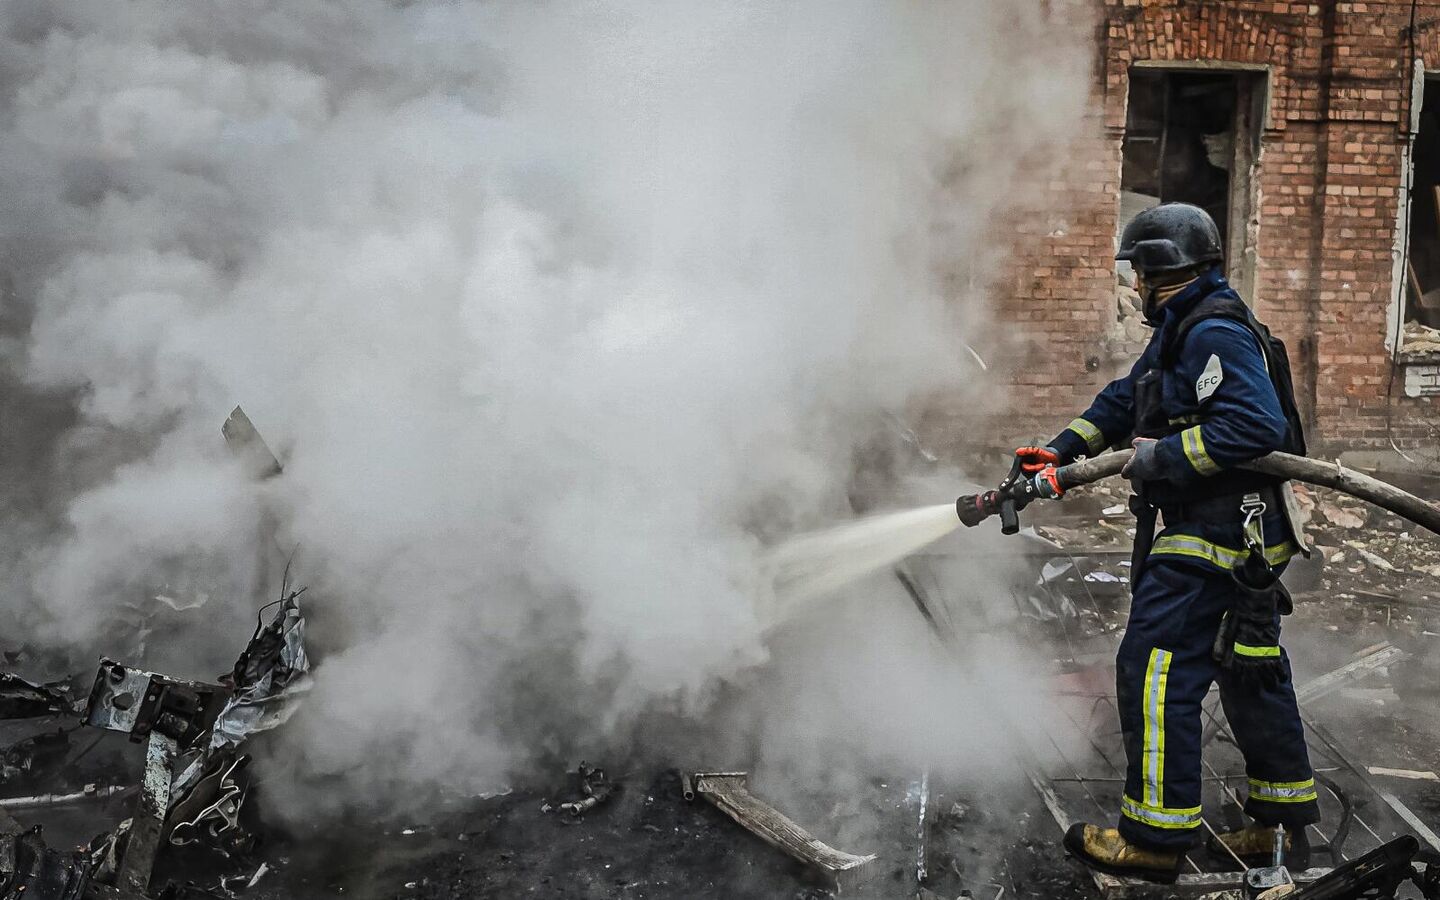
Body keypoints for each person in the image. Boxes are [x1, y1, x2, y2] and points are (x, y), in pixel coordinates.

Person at [1021, 203, 1319, 882]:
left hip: (1218, 536)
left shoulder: (1215, 332)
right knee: (1251, 674)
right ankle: (1280, 827)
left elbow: (1255, 426)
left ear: (1163, 270)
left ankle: (1155, 839)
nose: (1134, 286)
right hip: (1241, 535)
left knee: (1153, 670)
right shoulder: (1188, 328)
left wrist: (1161, 461)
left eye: (1140, 272)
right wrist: (1059, 452)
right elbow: (1130, 399)